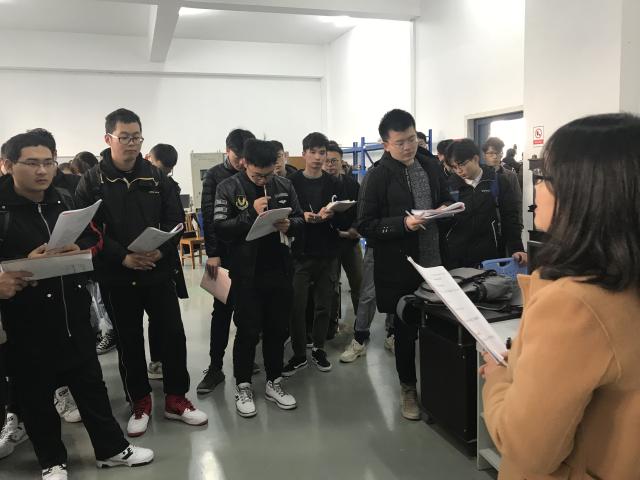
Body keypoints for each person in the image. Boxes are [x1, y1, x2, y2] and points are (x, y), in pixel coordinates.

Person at [480, 113, 640, 480]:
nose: (536, 188)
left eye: (544, 177)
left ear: (583, 193)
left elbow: (526, 449)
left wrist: (499, 378)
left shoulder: (574, 304)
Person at [0, 131, 153, 480]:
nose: (43, 170)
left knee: (91, 386)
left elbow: (91, 236)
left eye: (48, 162)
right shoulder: (3, 210)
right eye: (32, 163)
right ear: (8, 165)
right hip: (23, 322)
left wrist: (78, 247)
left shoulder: (65, 198)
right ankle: (52, 461)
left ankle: (111, 450)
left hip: (73, 312)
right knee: (35, 395)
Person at [75, 108, 207, 438]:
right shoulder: (92, 181)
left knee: (173, 335)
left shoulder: (157, 178)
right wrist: (123, 257)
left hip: (157, 271)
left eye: (137, 137)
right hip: (118, 275)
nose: (132, 143)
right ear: (108, 139)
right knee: (129, 341)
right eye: (125, 137)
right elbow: (86, 230)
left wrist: (161, 251)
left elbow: (175, 221)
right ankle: (140, 401)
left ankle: (176, 398)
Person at [358, 109, 454, 420]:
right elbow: (365, 225)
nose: (408, 147)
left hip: (435, 260)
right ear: (385, 144)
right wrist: (402, 224)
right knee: (404, 330)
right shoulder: (377, 176)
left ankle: (440, 387)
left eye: (411, 139)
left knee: (440, 327)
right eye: (400, 142)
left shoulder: (430, 164)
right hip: (401, 265)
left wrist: (444, 208)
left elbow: (443, 196)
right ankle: (408, 388)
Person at [214, 139, 303, 417]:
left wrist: (290, 225)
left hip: (280, 268)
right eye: (257, 175)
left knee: (277, 329)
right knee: (248, 330)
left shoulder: (284, 185)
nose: (264, 180)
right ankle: (243, 385)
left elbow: (300, 218)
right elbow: (220, 228)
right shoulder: (228, 187)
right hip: (245, 273)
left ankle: (274, 382)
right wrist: (250, 213)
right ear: (244, 163)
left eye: (268, 174)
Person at [198, 128, 256, 394]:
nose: (242, 163)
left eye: (246, 158)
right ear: (227, 151)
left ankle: (245, 360)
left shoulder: (252, 174)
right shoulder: (213, 176)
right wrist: (212, 254)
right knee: (220, 312)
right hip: (218, 255)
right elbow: (208, 217)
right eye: (237, 158)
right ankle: (215, 367)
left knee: (247, 310)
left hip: (248, 256)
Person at [284, 132, 343, 376]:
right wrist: (301, 217)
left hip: (327, 252)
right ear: (304, 153)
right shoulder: (291, 182)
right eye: (313, 152)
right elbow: (285, 215)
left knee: (323, 305)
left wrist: (333, 214)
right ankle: (299, 354)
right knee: (297, 307)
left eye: (322, 153)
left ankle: (318, 348)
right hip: (300, 252)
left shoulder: (333, 183)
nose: (318, 158)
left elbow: (343, 216)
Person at [143, 143, 189, 381]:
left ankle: (160, 361)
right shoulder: (140, 183)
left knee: (162, 317)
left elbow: (176, 224)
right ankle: (156, 361)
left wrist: (162, 251)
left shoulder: (169, 187)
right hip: (134, 260)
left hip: (162, 259)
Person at [444, 139, 526, 269]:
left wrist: (517, 248)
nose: (458, 171)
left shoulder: (498, 181)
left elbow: (510, 217)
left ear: (475, 159)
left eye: (461, 164)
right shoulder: (449, 186)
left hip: (491, 254)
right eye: (454, 167)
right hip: (457, 257)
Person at [322, 141, 363, 337]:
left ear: (341, 161)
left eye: (334, 161)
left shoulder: (351, 184)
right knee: (331, 286)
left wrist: (355, 228)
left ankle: (361, 326)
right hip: (329, 243)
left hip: (351, 242)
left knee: (358, 283)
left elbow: (361, 210)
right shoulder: (319, 185)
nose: (330, 165)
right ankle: (331, 325)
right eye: (327, 161)